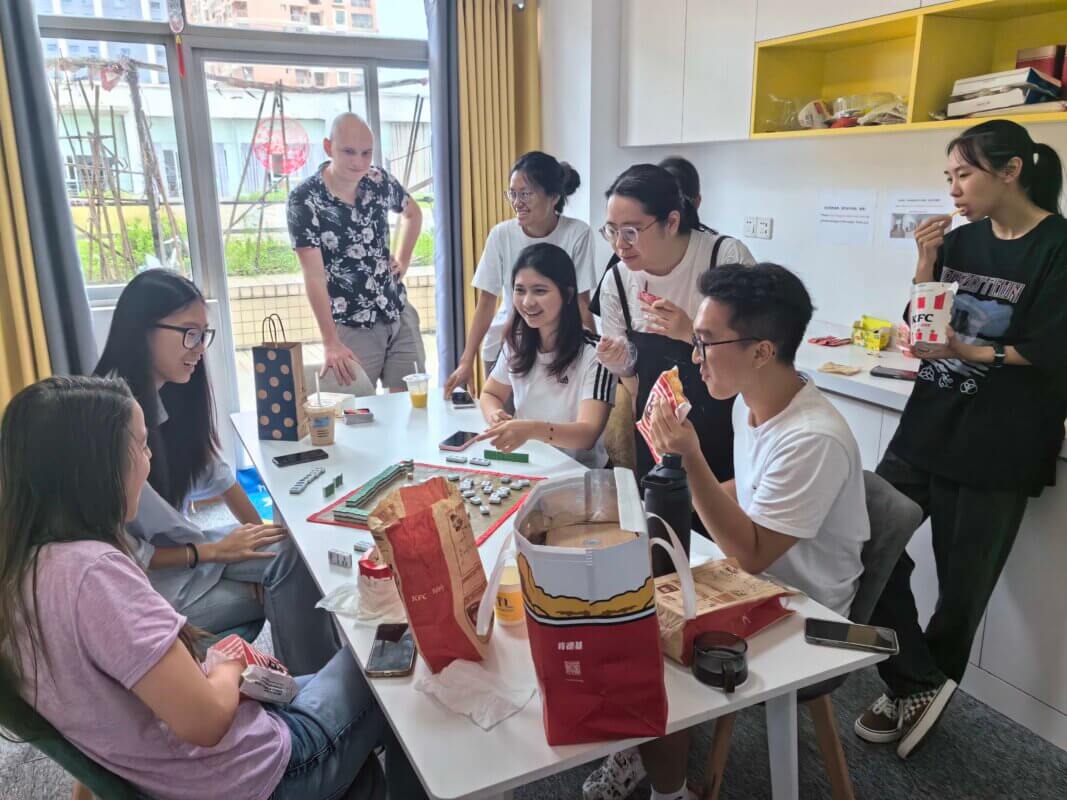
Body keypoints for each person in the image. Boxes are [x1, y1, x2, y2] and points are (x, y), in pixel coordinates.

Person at [0, 376, 428, 800]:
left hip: (201, 770)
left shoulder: (22, 570)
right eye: (141, 445)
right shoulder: (95, 576)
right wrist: (226, 664)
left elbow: (92, 720)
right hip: (265, 772)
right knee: (399, 646)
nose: (147, 463)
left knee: (320, 683)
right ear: (97, 468)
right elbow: (204, 721)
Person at [585, 263, 869, 800]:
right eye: (696, 340)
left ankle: (660, 779)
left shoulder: (814, 438)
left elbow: (753, 554)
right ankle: (643, 753)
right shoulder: (751, 403)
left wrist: (689, 458)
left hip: (803, 608)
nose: (695, 357)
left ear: (762, 351)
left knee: (648, 640)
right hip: (749, 577)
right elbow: (747, 491)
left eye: (708, 342)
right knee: (621, 591)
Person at [855, 119, 1067, 759]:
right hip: (928, 423)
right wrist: (924, 262)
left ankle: (914, 692)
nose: (953, 189)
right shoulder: (962, 240)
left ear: (1011, 171)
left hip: (1001, 441)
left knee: (962, 587)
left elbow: (1052, 348)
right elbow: (925, 328)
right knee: (864, 538)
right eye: (948, 176)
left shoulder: (1057, 246)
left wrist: (965, 348)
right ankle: (915, 678)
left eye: (964, 174)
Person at [95, 269, 338, 676]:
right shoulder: (109, 417)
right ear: (143, 329)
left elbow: (216, 473)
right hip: (152, 592)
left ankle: (321, 678)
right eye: (190, 334)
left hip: (189, 557)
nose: (199, 348)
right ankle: (315, 692)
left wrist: (260, 533)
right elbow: (120, 555)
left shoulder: (161, 391)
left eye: (204, 335)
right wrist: (208, 552)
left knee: (295, 552)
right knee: (285, 583)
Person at [593, 163, 756, 487]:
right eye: (612, 230)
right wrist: (621, 364)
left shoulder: (723, 256)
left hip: (726, 429)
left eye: (632, 231)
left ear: (671, 221)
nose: (619, 245)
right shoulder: (617, 280)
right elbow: (636, 382)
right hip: (656, 435)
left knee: (719, 529)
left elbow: (755, 351)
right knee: (661, 526)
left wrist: (689, 332)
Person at [287, 112, 424, 393]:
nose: (358, 162)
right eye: (348, 152)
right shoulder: (305, 199)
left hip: (396, 310)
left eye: (366, 153)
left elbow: (413, 213)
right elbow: (313, 276)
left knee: (412, 404)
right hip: (351, 323)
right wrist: (329, 342)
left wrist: (404, 260)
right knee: (357, 411)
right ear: (328, 147)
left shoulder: (378, 180)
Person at [444, 151, 596, 397]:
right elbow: (486, 302)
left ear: (554, 197)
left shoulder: (577, 233)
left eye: (525, 193)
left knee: (548, 426)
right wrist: (466, 360)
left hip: (559, 350)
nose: (517, 202)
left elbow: (581, 302)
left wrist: (594, 354)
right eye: (512, 194)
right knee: (502, 425)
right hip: (504, 347)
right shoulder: (501, 234)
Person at [476, 243, 616, 468]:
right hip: (531, 464)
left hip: (580, 473)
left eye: (540, 291)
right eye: (519, 290)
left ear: (568, 294)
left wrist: (530, 429)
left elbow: (587, 434)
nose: (527, 301)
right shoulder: (517, 342)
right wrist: (495, 415)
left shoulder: (596, 354)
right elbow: (490, 393)